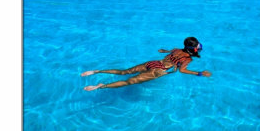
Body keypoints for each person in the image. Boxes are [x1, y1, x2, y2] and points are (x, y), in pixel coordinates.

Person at [81, 36, 211, 91]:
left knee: (124, 72)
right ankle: (100, 86)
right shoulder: (188, 59)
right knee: (128, 82)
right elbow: (182, 70)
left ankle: (96, 71)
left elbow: (170, 51)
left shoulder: (177, 49)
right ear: (193, 49)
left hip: (154, 63)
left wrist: (163, 51)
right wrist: (199, 73)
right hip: (159, 70)